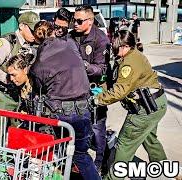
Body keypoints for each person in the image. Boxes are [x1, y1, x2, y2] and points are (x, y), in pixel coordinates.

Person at [30, 23, 100, 180]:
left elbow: (39, 86)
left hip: (62, 115)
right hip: (84, 109)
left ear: (36, 38)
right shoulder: (71, 44)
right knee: (81, 155)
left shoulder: (39, 62)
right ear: (54, 31)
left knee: (61, 154)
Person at [97, 30, 167, 180]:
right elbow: (113, 81)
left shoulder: (129, 62)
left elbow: (120, 90)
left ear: (125, 46)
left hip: (144, 108)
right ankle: (162, 166)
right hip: (156, 104)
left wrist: (97, 100)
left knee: (124, 144)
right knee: (149, 138)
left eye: (116, 47)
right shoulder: (130, 56)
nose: (114, 50)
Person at [0, 11, 39, 143]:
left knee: (16, 136)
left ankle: (12, 162)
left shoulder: (31, 45)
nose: (35, 34)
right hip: (1, 96)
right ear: (22, 26)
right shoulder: (6, 42)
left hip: (18, 97)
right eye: (31, 30)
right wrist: (8, 78)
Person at [70, 5, 110, 171]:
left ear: (90, 21)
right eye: (74, 20)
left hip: (95, 88)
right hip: (74, 89)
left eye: (79, 21)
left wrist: (83, 65)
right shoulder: (71, 36)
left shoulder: (101, 40)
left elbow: (102, 68)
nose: (75, 24)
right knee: (75, 125)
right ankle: (77, 161)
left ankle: (100, 163)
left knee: (97, 128)